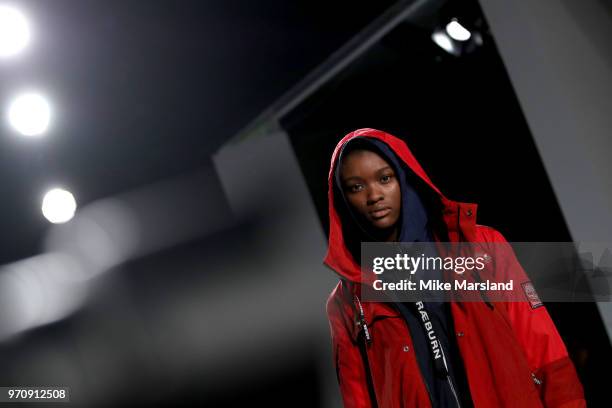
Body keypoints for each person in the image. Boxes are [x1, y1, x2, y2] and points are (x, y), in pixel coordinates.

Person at [324, 128, 585, 407]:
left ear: (404, 177)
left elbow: (543, 346)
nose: (374, 195)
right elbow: (358, 397)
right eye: (356, 187)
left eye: (385, 178)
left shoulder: (481, 245)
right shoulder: (346, 301)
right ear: (342, 199)